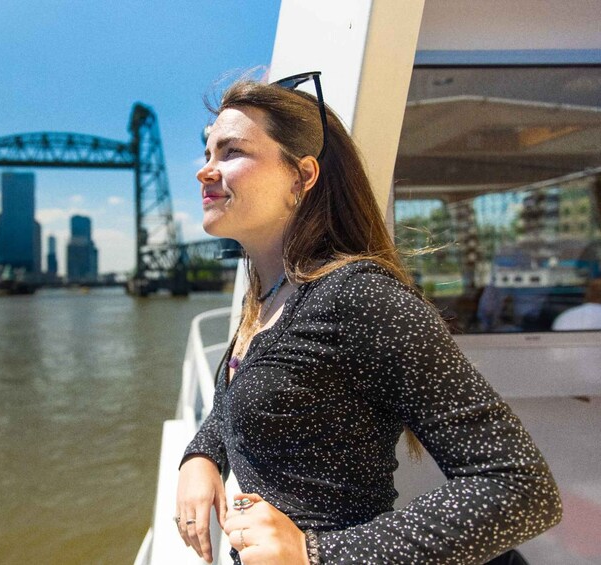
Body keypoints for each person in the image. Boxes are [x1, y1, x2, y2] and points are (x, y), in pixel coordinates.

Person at [174, 72, 562, 564]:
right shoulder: (270, 294)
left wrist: (316, 553)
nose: (205, 171)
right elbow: (249, 394)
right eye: (208, 153)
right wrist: (202, 455)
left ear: (302, 176)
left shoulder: (359, 297)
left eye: (231, 152)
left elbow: (522, 487)